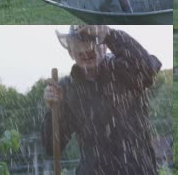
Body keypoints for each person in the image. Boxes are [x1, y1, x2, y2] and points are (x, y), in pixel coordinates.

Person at [42, 25, 162, 174]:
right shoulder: (65, 89)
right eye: (79, 48)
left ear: (104, 47)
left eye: (91, 45)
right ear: (71, 53)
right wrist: (55, 108)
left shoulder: (123, 69)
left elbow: (147, 69)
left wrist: (111, 34)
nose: (86, 52)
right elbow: (51, 146)